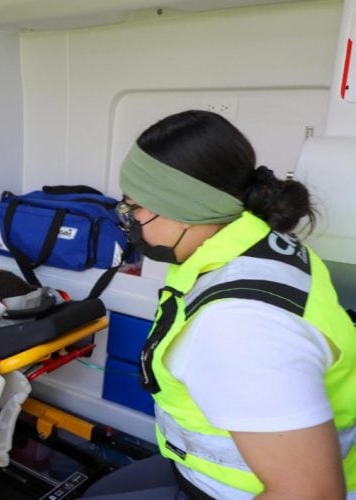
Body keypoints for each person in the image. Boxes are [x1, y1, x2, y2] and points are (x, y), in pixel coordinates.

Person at [83, 110, 355, 498]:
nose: (128, 220)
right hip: (203, 472)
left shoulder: (239, 326)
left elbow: (311, 493)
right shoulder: (258, 246)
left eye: (135, 206)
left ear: (186, 209)